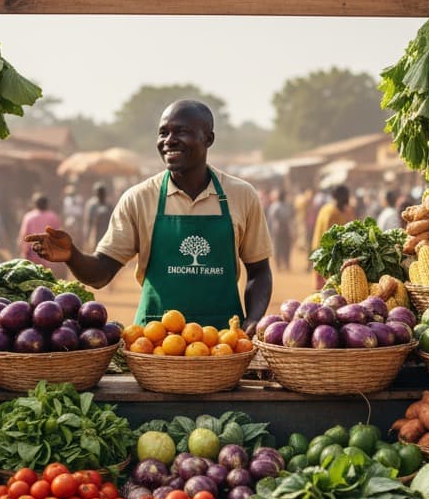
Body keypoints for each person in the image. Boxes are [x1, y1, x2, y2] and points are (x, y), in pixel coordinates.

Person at [26, 100, 273, 331]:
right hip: (154, 341)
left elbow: (259, 270)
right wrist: (73, 256)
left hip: (222, 340)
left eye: (181, 132)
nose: (169, 140)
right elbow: (101, 274)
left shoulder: (241, 195)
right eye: (163, 132)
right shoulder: (139, 198)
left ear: (208, 138)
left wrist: (253, 318)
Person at [311, 185, 355, 289]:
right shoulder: (332, 212)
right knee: (325, 285)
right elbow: (328, 237)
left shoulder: (330, 209)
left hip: (325, 252)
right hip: (325, 253)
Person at [18, 194, 62, 268]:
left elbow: (23, 235)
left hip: (33, 253)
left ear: (35, 204)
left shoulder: (29, 217)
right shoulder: (53, 216)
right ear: (47, 204)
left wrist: (23, 252)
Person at [266, 189, 293, 272]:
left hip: (277, 229)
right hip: (282, 229)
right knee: (285, 246)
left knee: (279, 246)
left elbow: (270, 219)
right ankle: (285, 264)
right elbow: (288, 218)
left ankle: (280, 264)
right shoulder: (285, 206)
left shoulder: (274, 206)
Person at [84, 183, 114, 249]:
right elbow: (88, 221)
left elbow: (113, 220)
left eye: (102, 192)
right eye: (99, 192)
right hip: (95, 232)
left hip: (107, 232)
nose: (101, 194)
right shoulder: (92, 205)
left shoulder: (109, 205)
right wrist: (87, 236)